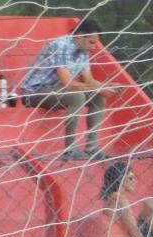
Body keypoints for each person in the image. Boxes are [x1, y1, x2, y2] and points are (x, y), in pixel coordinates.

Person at [19, 18, 117, 162]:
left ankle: (92, 148)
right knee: (77, 96)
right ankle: (70, 148)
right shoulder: (62, 45)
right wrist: (99, 87)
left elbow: (88, 80)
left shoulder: (83, 50)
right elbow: (68, 83)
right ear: (80, 36)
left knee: (98, 97)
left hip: (57, 90)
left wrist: (105, 87)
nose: (94, 46)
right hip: (35, 92)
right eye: (91, 42)